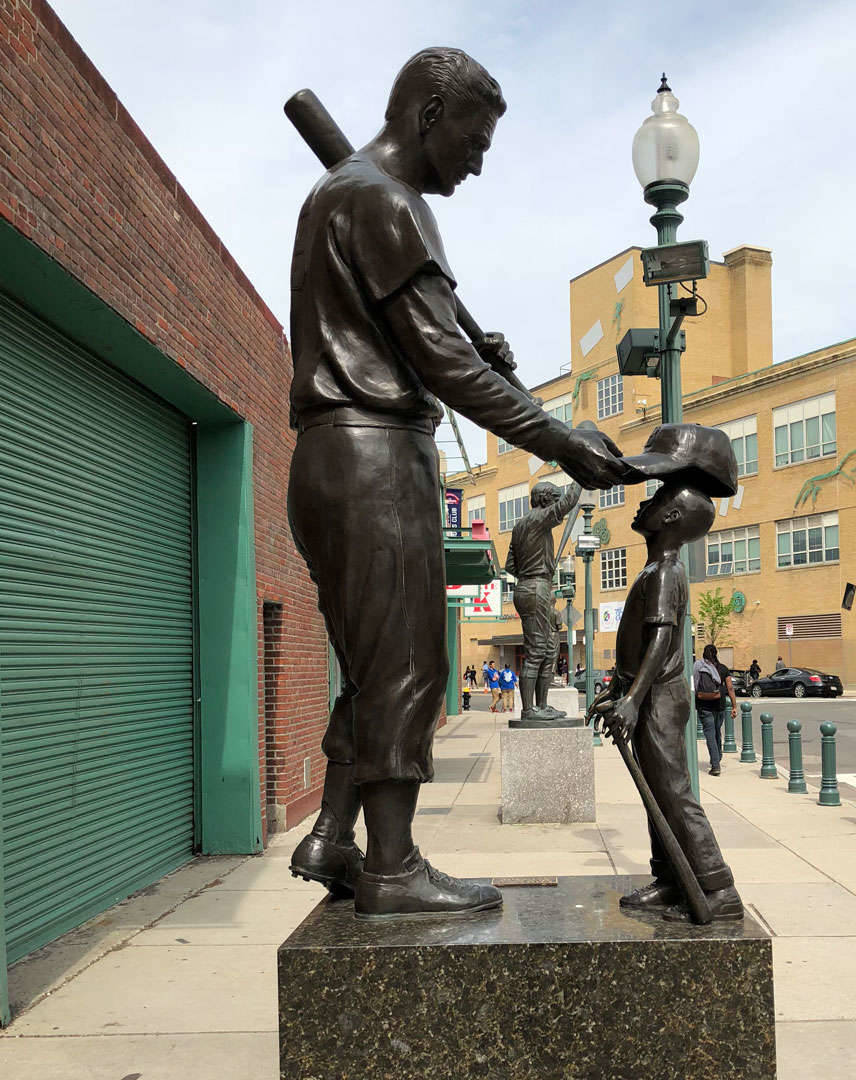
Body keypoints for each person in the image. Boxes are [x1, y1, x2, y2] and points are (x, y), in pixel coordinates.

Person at [285, 47, 628, 919]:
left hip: (333, 458)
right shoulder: (383, 201)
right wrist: (556, 437)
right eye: (475, 141)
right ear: (431, 115)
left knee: (369, 668)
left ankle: (334, 833)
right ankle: (394, 868)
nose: (477, 163)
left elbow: (430, 342)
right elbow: (444, 364)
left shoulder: (348, 195)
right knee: (406, 665)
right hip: (372, 456)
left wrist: (479, 356)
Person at [589, 423, 742, 922]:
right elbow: (641, 648)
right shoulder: (656, 570)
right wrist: (618, 687)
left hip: (659, 697)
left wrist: (633, 699)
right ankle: (671, 877)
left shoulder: (665, 573)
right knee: (657, 789)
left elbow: (659, 643)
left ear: (672, 516)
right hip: (648, 691)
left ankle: (717, 889)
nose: (642, 505)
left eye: (654, 499)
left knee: (673, 790)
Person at [504, 481, 580, 719]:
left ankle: (542, 706)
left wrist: (532, 575)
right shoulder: (537, 520)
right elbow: (568, 503)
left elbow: (510, 565)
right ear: (546, 500)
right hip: (536, 588)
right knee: (537, 650)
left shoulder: (519, 528)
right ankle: (528, 710)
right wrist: (580, 476)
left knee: (549, 650)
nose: (557, 505)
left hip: (534, 587)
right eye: (554, 500)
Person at [694, 645, 725, 776]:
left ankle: (715, 764)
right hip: (719, 706)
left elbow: (694, 684)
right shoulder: (721, 668)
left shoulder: (698, 666)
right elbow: (729, 687)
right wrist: (734, 706)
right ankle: (718, 755)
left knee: (710, 735)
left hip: (704, 706)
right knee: (717, 732)